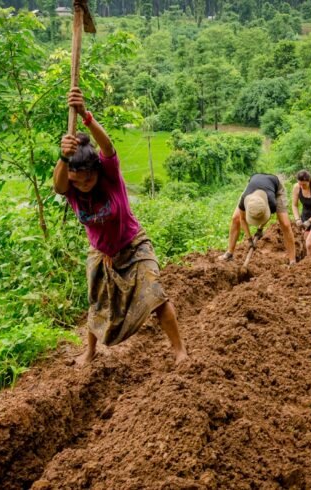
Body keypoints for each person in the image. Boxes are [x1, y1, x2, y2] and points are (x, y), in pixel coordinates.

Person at [53, 88, 188, 366]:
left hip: (133, 245)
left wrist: (86, 116)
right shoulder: (71, 188)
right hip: (101, 253)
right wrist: (63, 156)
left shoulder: (110, 176)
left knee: (156, 295)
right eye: (76, 182)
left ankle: (179, 351)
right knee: (96, 303)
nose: (83, 186)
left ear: (96, 171)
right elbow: (58, 184)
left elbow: (108, 147)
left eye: (87, 179)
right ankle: (89, 352)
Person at [218, 173, 296, 265]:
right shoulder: (244, 200)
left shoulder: (271, 202)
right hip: (252, 189)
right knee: (235, 218)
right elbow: (242, 219)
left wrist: (260, 229)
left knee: (285, 224)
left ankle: (292, 261)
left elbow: (266, 215)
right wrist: (249, 239)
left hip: (275, 186)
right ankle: (229, 253)